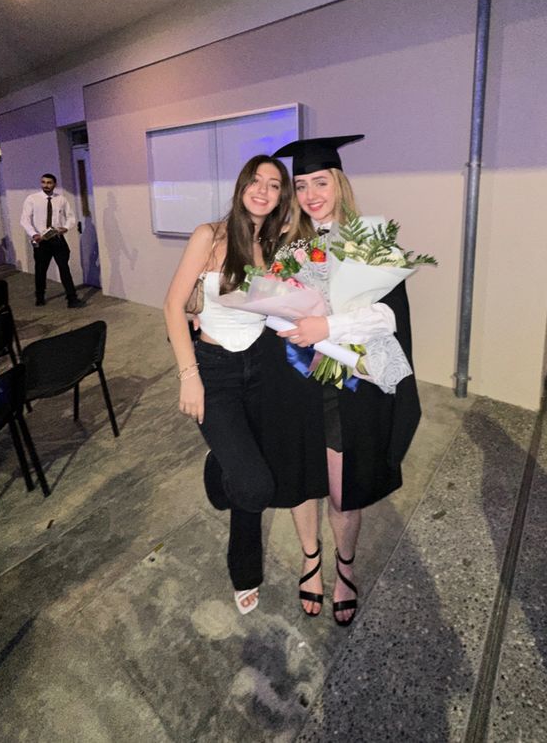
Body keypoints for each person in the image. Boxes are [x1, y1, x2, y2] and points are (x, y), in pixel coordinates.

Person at [261, 135, 422, 626]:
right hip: (296, 378)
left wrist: (326, 327)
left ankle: (344, 567)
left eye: (320, 182)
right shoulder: (288, 244)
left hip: (348, 381)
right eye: (302, 184)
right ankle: (311, 560)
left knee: (341, 482)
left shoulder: (371, 242)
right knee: (300, 476)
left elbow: (386, 316)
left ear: (339, 183)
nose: (311, 193)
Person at [163, 154, 292, 615]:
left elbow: (281, 308)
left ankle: (224, 475)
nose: (263, 190)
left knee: (247, 472)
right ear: (242, 186)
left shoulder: (275, 246)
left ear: (281, 197)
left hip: (260, 367)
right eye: (256, 180)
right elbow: (173, 307)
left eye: (274, 185)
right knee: (256, 486)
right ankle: (223, 472)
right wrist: (189, 375)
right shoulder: (209, 236)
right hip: (213, 370)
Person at [20, 173, 83, 308]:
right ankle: (40, 296)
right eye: (43, 182)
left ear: (54, 184)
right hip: (42, 240)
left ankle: (72, 298)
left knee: (64, 268)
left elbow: (71, 217)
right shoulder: (32, 199)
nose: (46, 185)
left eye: (49, 183)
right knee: (41, 270)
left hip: (57, 239)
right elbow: (24, 220)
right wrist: (34, 234)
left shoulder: (61, 199)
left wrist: (65, 228)